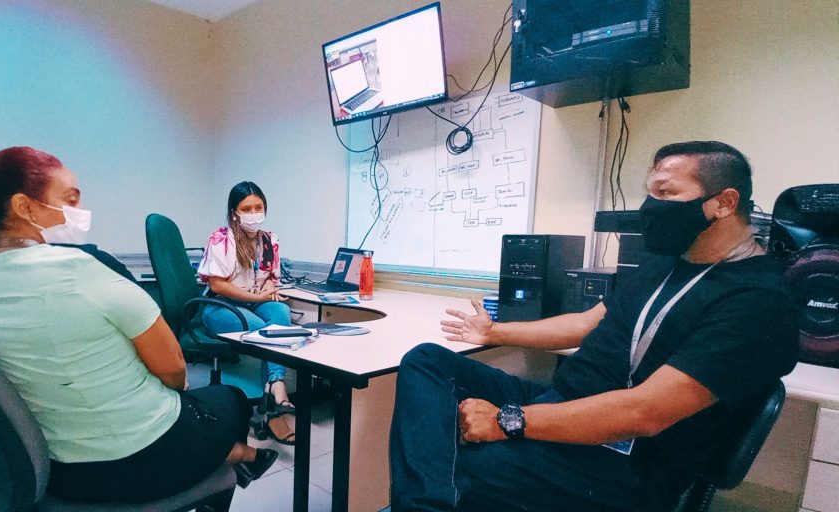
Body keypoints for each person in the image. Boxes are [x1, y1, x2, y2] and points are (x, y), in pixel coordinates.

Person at [389, 141, 800, 511]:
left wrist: (507, 421)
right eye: (650, 192)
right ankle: (431, 502)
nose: (649, 207)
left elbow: (645, 413)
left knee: (467, 462)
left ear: (724, 202)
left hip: (628, 462)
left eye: (666, 192)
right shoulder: (665, 264)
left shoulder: (757, 302)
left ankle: (431, 500)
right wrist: (495, 333)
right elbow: (585, 324)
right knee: (428, 362)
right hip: (564, 402)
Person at [0, 147, 277, 503]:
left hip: (59, 471)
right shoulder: (81, 270)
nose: (81, 212)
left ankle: (240, 457)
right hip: (135, 461)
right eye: (71, 199)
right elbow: (175, 371)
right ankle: (237, 460)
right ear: (24, 207)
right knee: (233, 399)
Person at [197, 181, 297, 445]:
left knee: (280, 312)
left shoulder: (269, 240)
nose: (254, 213)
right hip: (220, 306)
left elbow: (271, 277)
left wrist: (268, 287)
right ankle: (274, 409)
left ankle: (273, 386)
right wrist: (256, 296)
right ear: (234, 212)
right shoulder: (222, 238)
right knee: (261, 330)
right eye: (246, 208)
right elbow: (217, 284)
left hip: (254, 301)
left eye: (258, 207)